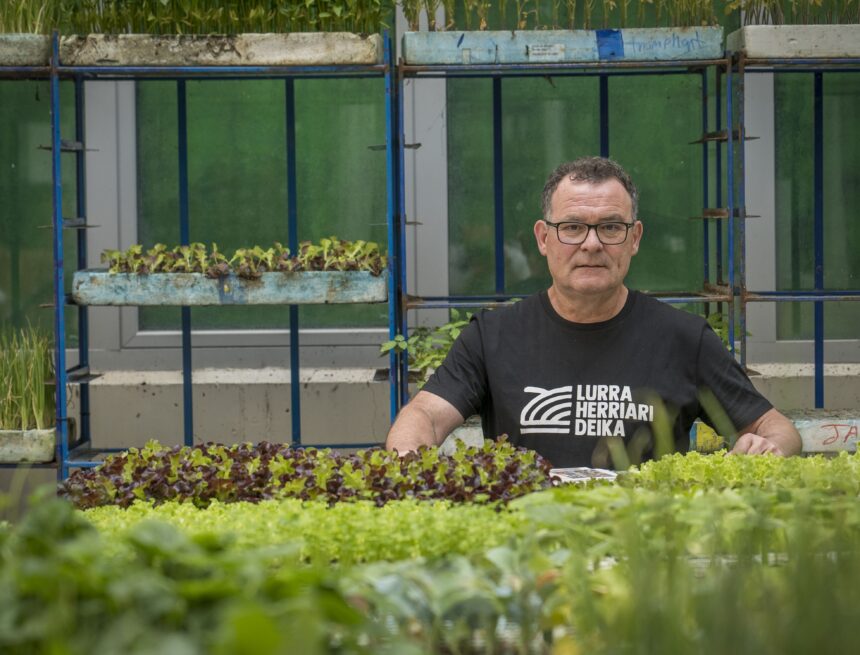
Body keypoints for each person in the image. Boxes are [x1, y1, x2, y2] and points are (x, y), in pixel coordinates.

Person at [386, 157, 802, 468]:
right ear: (543, 238)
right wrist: (408, 457)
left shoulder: (683, 338)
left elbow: (776, 429)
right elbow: (424, 414)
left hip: (643, 553)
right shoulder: (493, 335)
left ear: (634, 238)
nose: (591, 244)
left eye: (610, 227)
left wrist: (768, 447)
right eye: (572, 227)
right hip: (528, 549)